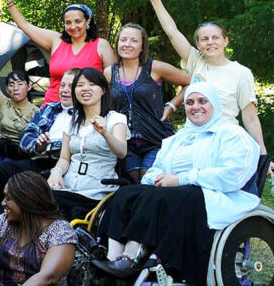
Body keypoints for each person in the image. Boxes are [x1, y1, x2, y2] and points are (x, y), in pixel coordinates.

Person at [93, 83, 259, 284]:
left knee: (166, 196)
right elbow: (157, 167)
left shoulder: (232, 134)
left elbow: (233, 174)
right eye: (189, 102)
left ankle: (130, 257)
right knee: (126, 193)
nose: (195, 106)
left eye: (202, 101)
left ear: (214, 104)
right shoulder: (177, 138)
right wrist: (156, 179)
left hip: (212, 195)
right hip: (172, 193)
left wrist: (181, 179)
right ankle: (113, 258)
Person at [141, 0, 268, 194]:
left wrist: (262, 153)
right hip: (193, 141)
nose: (210, 43)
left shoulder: (241, 73)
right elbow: (172, 31)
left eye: (215, 37)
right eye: (204, 39)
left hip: (223, 142)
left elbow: (250, 117)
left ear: (225, 41)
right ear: (198, 45)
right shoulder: (195, 61)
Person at [4, 0, 117, 105]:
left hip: (88, 109)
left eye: (78, 21)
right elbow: (25, 26)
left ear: (87, 21)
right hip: (53, 107)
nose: (73, 26)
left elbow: (114, 82)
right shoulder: (56, 40)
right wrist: (9, 0)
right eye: (68, 22)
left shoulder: (101, 45)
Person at [105, 23, 189, 181]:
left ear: (142, 46)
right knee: (131, 182)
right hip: (126, 142)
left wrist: (172, 105)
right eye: (123, 40)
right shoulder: (109, 73)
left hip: (155, 138)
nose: (127, 44)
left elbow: (192, 82)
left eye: (133, 41)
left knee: (148, 180)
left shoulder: (155, 68)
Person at [47, 68, 128, 220]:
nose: (85, 89)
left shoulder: (115, 119)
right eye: (80, 85)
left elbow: (121, 152)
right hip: (67, 187)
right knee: (33, 196)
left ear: (103, 90)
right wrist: (56, 172)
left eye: (91, 84)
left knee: (49, 204)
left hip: (97, 191)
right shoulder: (71, 122)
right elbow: (65, 158)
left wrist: (105, 133)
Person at [0, 70, 77, 200]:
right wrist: (38, 145)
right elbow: (26, 137)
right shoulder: (49, 109)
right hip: (41, 159)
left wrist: (56, 146)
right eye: (62, 85)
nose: (65, 90)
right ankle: (4, 211)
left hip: (66, 164)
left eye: (71, 86)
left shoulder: (83, 114)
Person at [0, 30, 38, 164]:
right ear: (7, 89)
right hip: (1, 149)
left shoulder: (37, 112)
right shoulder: (2, 103)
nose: (15, 88)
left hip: (22, 153)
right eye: (11, 84)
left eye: (20, 84)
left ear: (28, 87)